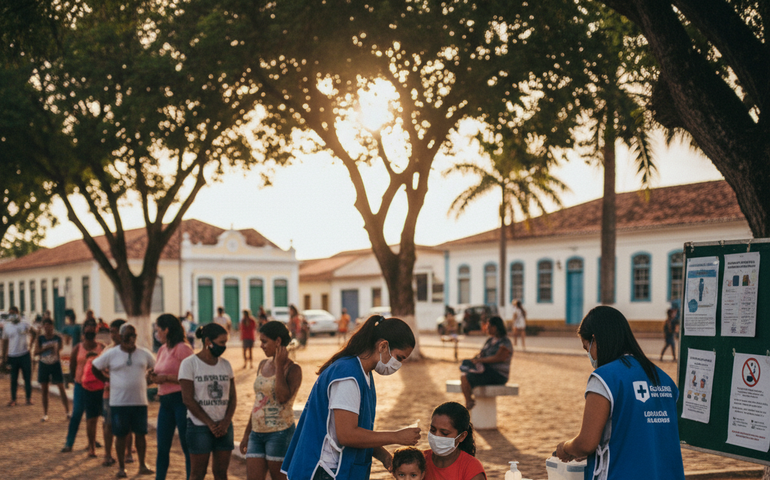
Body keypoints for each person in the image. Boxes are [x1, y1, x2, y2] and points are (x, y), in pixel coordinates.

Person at [281, 315, 421, 480]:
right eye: (399, 358)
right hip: (325, 471)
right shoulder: (348, 376)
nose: (399, 365)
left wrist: (384, 456)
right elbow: (347, 434)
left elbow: (361, 430)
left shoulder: (364, 374)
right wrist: (396, 436)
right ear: (383, 346)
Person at [554, 306, 685, 480]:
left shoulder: (605, 378)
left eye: (587, 348)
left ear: (595, 340)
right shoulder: (664, 379)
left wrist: (565, 448)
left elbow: (586, 442)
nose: (590, 356)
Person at [239, 321, 302, 480]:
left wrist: (279, 366)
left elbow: (282, 398)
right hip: (256, 433)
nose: (260, 345)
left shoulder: (293, 369)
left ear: (278, 341)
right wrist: (247, 434)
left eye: (264, 341)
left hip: (280, 433)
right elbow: (258, 403)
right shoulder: (262, 365)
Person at [91, 323, 156, 478]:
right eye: (126, 336)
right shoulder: (112, 354)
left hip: (140, 402)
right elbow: (95, 366)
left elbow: (156, 367)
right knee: (120, 435)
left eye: (133, 336)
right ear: (121, 337)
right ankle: (121, 467)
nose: (130, 339)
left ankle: (142, 464)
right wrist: (106, 379)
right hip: (119, 402)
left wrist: (147, 381)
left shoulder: (144, 353)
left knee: (141, 434)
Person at [179, 323, 237, 480]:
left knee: (221, 473)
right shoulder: (189, 364)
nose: (224, 347)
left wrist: (225, 422)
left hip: (224, 427)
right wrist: (210, 423)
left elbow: (232, 398)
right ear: (208, 342)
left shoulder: (226, 365)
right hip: (199, 427)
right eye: (221, 342)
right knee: (198, 474)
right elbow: (188, 399)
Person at [149, 314, 195, 480]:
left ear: (166, 329)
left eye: (158, 330)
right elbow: (160, 371)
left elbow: (193, 377)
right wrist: (153, 377)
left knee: (187, 446)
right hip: (165, 403)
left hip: (181, 402)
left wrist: (167, 378)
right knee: (162, 447)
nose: (156, 333)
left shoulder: (183, 349)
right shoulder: (162, 349)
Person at [62, 316, 104, 454]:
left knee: (95, 415)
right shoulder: (77, 348)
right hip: (81, 386)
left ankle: (92, 442)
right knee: (77, 413)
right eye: (88, 326)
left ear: (97, 330)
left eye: (93, 326)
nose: (91, 329)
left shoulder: (101, 348)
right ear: (83, 330)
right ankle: (69, 442)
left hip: (98, 386)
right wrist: (78, 380)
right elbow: (72, 367)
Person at [101, 318, 134, 468]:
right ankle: (108, 454)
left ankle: (128, 453)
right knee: (108, 424)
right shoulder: (107, 350)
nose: (112, 335)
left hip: (126, 394)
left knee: (127, 425)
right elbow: (99, 368)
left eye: (114, 332)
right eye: (111, 332)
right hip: (109, 393)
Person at [459, 316, 513, 410]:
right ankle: (468, 401)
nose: (486, 329)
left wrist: (480, 360)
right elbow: (482, 354)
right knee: (464, 376)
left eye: (488, 326)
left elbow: (499, 358)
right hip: (485, 371)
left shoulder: (505, 342)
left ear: (495, 327)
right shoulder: (489, 341)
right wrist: (475, 359)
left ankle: (469, 403)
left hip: (498, 374)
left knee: (468, 377)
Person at [423, 402, 485, 480]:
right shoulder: (419, 460)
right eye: (433, 430)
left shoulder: (471, 468)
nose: (436, 436)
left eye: (444, 433)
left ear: (462, 436)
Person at [35, 318, 70, 421]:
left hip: (55, 363)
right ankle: (45, 414)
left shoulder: (58, 337)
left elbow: (60, 349)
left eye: (49, 326)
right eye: (45, 327)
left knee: (61, 387)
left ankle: (67, 411)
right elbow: (35, 352)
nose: (47, 329)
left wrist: (57, 347)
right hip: (44, 364)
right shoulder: (40, 338)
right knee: (44, 389)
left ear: (52, 327)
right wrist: (46, 348)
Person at [1, 306, 36, 407]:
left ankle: (28, 398)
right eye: (10, 313)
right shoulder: (7, 327)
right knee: (13, 379)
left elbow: (34, 332)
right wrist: (4, 358)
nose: (12, 315)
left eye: (14, 313)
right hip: (12, 356)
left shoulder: (25, 323)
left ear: (18, 313)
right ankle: (13, 399)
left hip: (25, 354)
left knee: (27, 378)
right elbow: (5, 342)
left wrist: (31, 344)